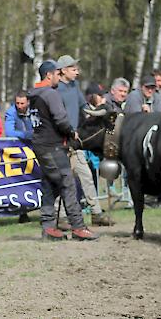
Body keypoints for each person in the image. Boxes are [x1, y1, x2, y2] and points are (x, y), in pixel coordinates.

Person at [27, 60, 98, 241]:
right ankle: (78, 227)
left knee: (50, 185)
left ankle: (48, 227)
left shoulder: (34, 94)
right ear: (49, 75)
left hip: (41, 145)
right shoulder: (50, 94)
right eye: (58, 74)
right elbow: (60, 118)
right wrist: (71, 132)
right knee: (68, 184)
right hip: (53, 146)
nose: (59, 77)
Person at [56, 55, 112, 227]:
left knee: (86, 177)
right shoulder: (56, 88)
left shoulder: (75, 86)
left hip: (75, 142)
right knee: (63, 181)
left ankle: (96, 213)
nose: (77, 72)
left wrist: (101, 111)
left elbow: (85, 109)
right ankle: (62, 217)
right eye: (73, 69)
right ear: (63, 70)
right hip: (61, 142)